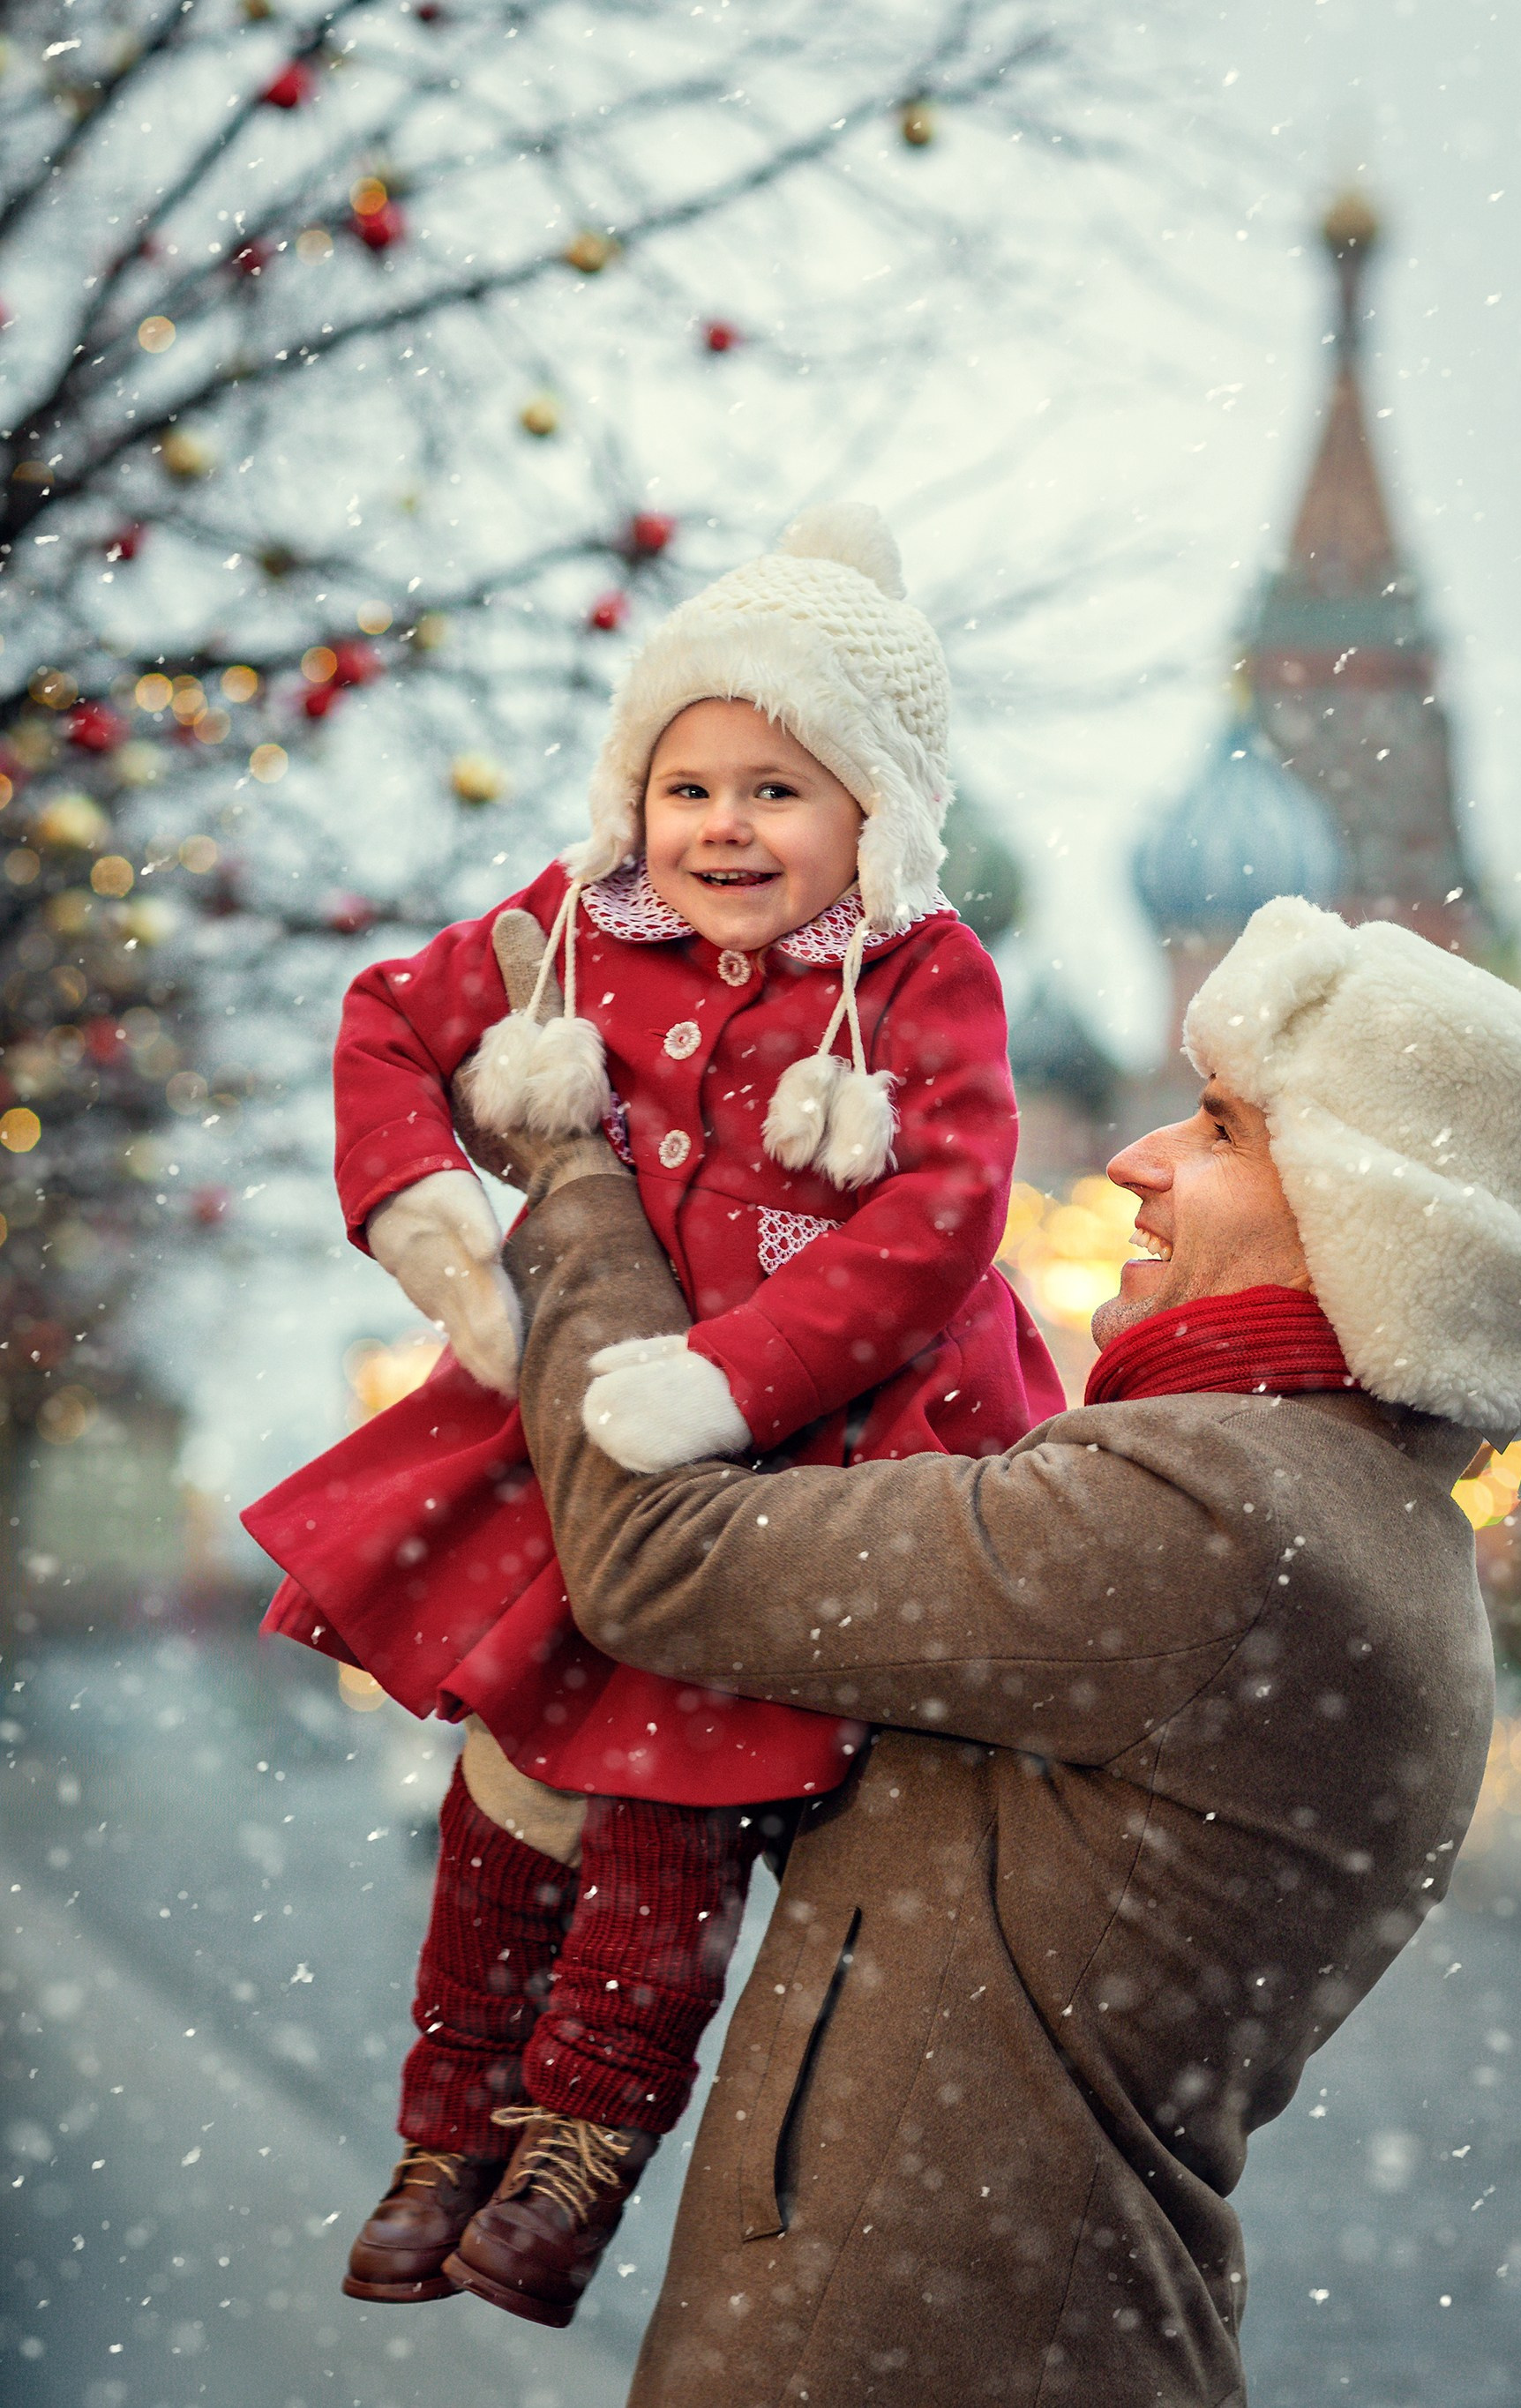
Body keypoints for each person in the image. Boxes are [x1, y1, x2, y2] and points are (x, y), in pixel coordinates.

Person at [479, 889, 1521, 2403]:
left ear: (1370, 1219)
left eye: (1218, 1131)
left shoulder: (1222, 1513)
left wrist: (574, 1164)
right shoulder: (1346, 1517)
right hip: (978, 2332)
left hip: (930, 2351)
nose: (1142, 1161)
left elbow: (653, 1556)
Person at [241, 505, 1063, 2326]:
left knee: (673, 1804)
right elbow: (386, 1017)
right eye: (688, 784)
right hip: (577, 1436)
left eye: (781, 789)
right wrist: (423, 1208)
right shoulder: (571, 933)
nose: (723, 829)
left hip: (816, 1447)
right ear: (636, 794)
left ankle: (583, 2142)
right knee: (508, 1781)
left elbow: (939, 1216)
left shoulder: (927, 974)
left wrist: (730, 1374)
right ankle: (447, 2125)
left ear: (874, 814)